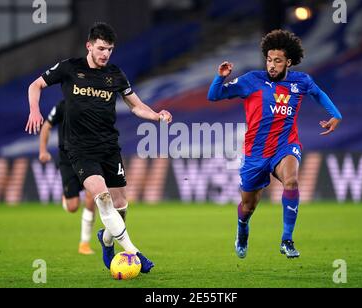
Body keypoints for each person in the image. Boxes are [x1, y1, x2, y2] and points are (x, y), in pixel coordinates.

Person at [26, 22, 172, 273]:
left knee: (121, 205)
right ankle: (134, 253)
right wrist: (34, 110)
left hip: (109, 147)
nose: (105, 54)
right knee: (102, 199)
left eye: (110, 49)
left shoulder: (115, 74)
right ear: (89, 46)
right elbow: (35, 85)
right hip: (80, 149)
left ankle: (106, 240)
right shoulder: (69, 68)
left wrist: (157, 115)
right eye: (101, 48)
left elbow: (135, 106)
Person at [207, 29, 342, 259]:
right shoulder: (252, 80)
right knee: (248, 207)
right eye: (269, 60)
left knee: (291, 181)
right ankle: (242, 230)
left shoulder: (301, 81)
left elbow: (318, 94)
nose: (272, 65)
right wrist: (220, 77)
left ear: (288, 62)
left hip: (285, 146)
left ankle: (286, 240)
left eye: (277, 61)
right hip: (255, 153)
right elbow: (214, 96)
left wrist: (335, 115)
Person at [39, 100, 98, 255]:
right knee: (72, 207)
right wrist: (43, 150)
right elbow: (46, 126)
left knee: (92, 197)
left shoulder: (92, 104)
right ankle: (67, 196)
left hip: (87, 158)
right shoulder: (62, 106)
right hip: (67, 161)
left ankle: (84, 243)